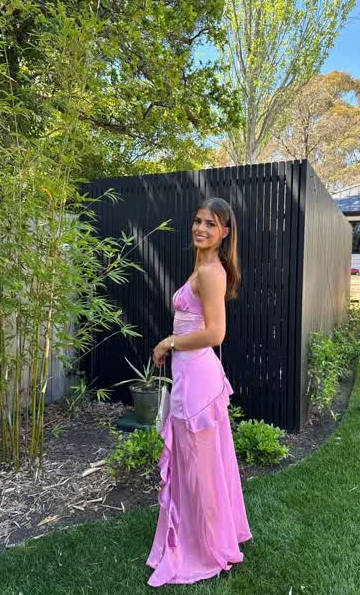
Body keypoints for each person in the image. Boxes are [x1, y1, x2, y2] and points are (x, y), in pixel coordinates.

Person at [146, 197, 252, 587]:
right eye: (198, 221)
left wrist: (169, 342)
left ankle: (206, 548)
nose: (201, 228)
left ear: (224, 232)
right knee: (201, 467)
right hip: (191, 377)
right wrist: (172, 344)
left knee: (199, 470)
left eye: (211, 224)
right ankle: (208, 536)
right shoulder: (202, 267)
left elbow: (215, 333)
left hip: (197, 383)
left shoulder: (211, 272)